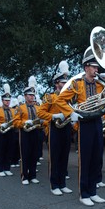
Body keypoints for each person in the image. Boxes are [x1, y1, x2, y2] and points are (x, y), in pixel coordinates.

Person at [56, 47, 105, 206]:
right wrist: (71, 114)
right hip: (84, 123)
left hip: (97, 122)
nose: (97, 69)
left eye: (97, 66)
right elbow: (60, 100)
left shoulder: (100, 84)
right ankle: (84, 194)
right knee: (86, 159)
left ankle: (93, 191)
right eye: (94, 66)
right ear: (86, 67)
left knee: (97, 157)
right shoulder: (77, 84)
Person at [37, 60, 73, 196]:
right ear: (57, 83)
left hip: (66, 128)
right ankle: (54, 185)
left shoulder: (69, 98)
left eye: (66, 83)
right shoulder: (49, 97)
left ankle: (63, 183)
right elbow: (40, 113)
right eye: (63, 83)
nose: (65, 85)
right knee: (55, 157)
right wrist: (54, 116)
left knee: (64, 157)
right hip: (54, 128)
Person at [13, 76, 41, 185]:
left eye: (33, 95)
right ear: (25, 96)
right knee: (25, 154)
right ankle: (24, 176)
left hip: (36, 132)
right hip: (24, 133)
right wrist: (24, 122)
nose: (32, 97)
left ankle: (33, 175)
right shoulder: (20, 108)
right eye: (30, 95)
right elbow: (15, 122)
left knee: (34, 154)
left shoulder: (38, 107)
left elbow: (41, 119)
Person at [0, 84, 16, 177]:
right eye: (6, 100)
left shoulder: (13, 110)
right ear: (2, 100)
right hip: (1, 132)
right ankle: (0, 169)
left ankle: (7, 168)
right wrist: (0, 125)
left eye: (9, 100)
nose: (7, 102)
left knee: (9, 150)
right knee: (1, 150)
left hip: (11, 131)